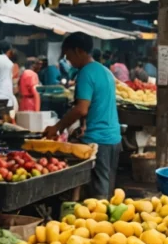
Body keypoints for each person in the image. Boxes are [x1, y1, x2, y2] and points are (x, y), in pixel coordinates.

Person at [43, 32, 120, 198]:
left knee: (98, 193)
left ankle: (98, 222)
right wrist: (83, 125)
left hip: (98, 140)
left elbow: (81, 109)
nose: (68, 60)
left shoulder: (85, 73)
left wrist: (57, 127)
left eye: (68, 55)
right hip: (114, 138)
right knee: (107, 189)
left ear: (78, 51)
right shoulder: (104, 71)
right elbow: (96, 104)